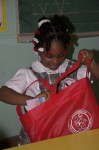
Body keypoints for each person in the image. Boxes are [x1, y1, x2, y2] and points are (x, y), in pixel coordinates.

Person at [0, 15, 99, 145]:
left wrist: (91, 63)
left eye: (61, 55)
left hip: (68, 132)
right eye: (49, 56)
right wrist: (32, 101)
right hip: (39, 135)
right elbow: (3, 93)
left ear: (66, 49)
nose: (55, 62)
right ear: (37, 50)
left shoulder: (74, 70)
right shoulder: (29, 74)